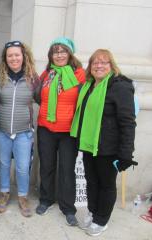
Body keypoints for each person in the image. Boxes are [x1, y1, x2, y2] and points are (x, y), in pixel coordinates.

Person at [70, 49, 137, 236]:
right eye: (95, 63)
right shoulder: (88, 86)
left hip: (109, 148)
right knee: (91, 182)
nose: (99, 66)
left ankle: (101, 220)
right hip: (89, 145)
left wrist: (126, 153)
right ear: (90, 67)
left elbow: (128, 123)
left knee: (106, 185)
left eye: (104, 62)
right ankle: (93, 212)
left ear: (111, 65)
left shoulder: (120, 86)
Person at [35, 37, 85, 226]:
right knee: (46, 166)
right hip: (46, 127)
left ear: (70, 53)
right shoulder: (47, 74)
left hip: (68, 131)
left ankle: (68, 208)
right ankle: (46, 199)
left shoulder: (80, 74)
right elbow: (38, 95)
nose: (59, 55)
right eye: (55, 52)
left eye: (63, 51)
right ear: (51, 56)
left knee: (67, 170)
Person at [0, 40, 39, 217]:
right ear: (5, 58)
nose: (14, 58)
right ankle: (4, 193)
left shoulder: (33, 77)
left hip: (23, 132)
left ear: (23, 56)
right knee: (4, 164)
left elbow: (43, 98)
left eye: (17, 55)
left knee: (22, 166)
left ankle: (22, 196)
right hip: (2, 130)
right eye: (10, 55)